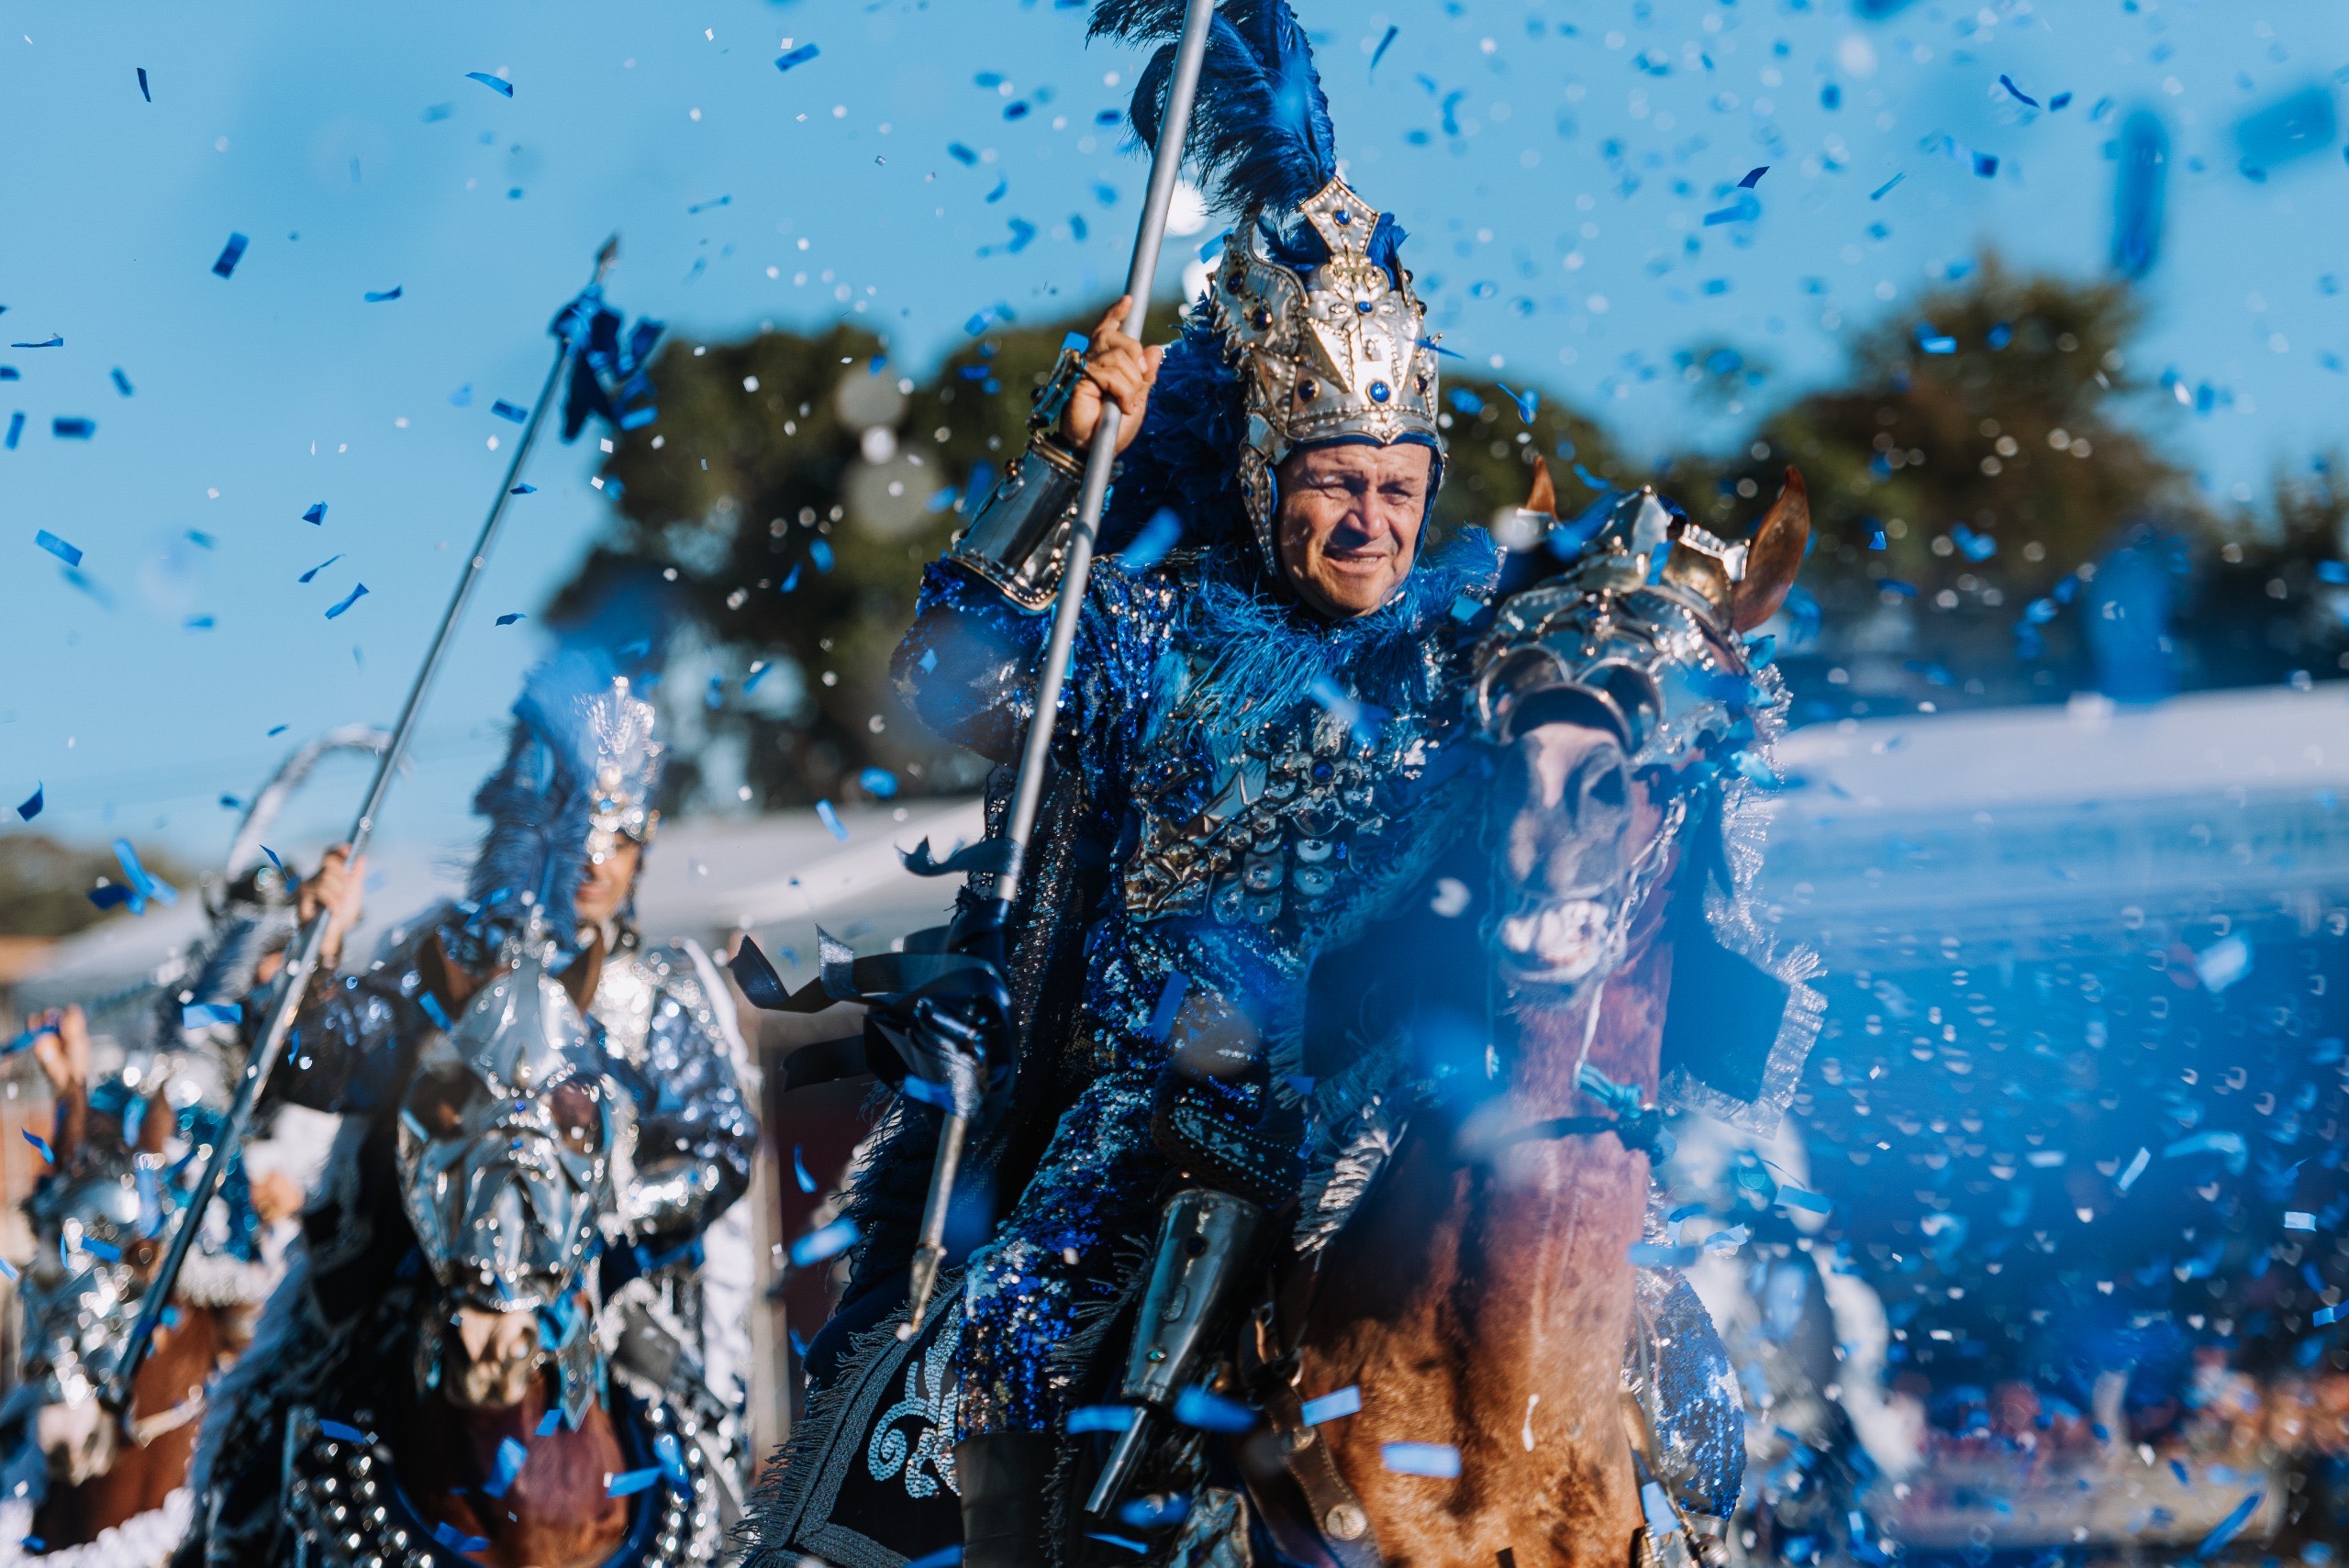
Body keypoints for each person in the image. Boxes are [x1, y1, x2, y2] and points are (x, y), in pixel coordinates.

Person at [788, 8, 1498, 1562]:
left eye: (1396, 485)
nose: (1371, 521)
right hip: (1170, 1118)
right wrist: (1065, 460)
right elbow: (957, 679)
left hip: (1402, 1109)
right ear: (1262, 477)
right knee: (1012, 1324)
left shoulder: (1468, 664)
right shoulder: (1154, 621)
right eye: (1335, 483)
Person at [178, 652, 761, 1562]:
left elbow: (720, 1143)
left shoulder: (659, 995)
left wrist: (597, 1211)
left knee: (713, 1449)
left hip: (603, 1282)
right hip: (419, 1270)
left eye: (614, 836)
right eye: (572, 833)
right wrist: (312, 959)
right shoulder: (436, 963)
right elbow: (318, 1064)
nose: (592, 861)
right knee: (260, 1422)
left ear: (642, 846)